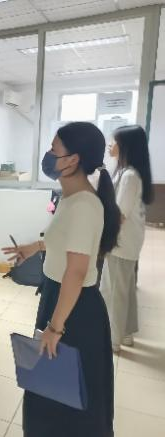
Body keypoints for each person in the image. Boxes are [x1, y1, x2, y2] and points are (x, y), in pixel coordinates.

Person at [2, 122, 120, 437]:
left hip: (74, 309)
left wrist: (55, 328)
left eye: (54, 150)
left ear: (72, 160)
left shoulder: (84, 205)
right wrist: (36, 247)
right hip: (60, 298)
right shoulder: (71, 198)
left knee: (66, 390)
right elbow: (68, 241)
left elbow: (76, 272)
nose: (49, 155)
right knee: (50, 384)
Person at [100, 125, 153, 352]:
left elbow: (119, 215)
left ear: (125, 146)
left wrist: (101, 238)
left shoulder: (129, 176)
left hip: (121, 243)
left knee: (114, 292)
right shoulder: (126, 172)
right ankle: (127, 334)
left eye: (114, 141)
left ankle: (113, 340)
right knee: (125, 289)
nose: (110, 145)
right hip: (127, 241)